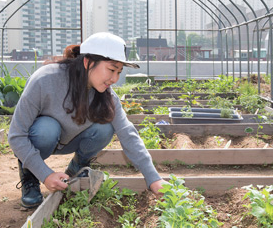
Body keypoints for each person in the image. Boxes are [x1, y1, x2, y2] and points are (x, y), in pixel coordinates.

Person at [9, 32, 165, 208]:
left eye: (119, 72)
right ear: (88, 62)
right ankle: (30, 174)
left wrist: (153, 178)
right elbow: (16, 135)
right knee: (47, 128)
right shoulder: (45, 80)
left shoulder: (106, 95)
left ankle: (78, 167)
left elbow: (127, 133)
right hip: (40, 140)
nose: (115, 79)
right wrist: (45, 174)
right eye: (112, 70)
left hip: (70, 141)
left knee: (105, 127)